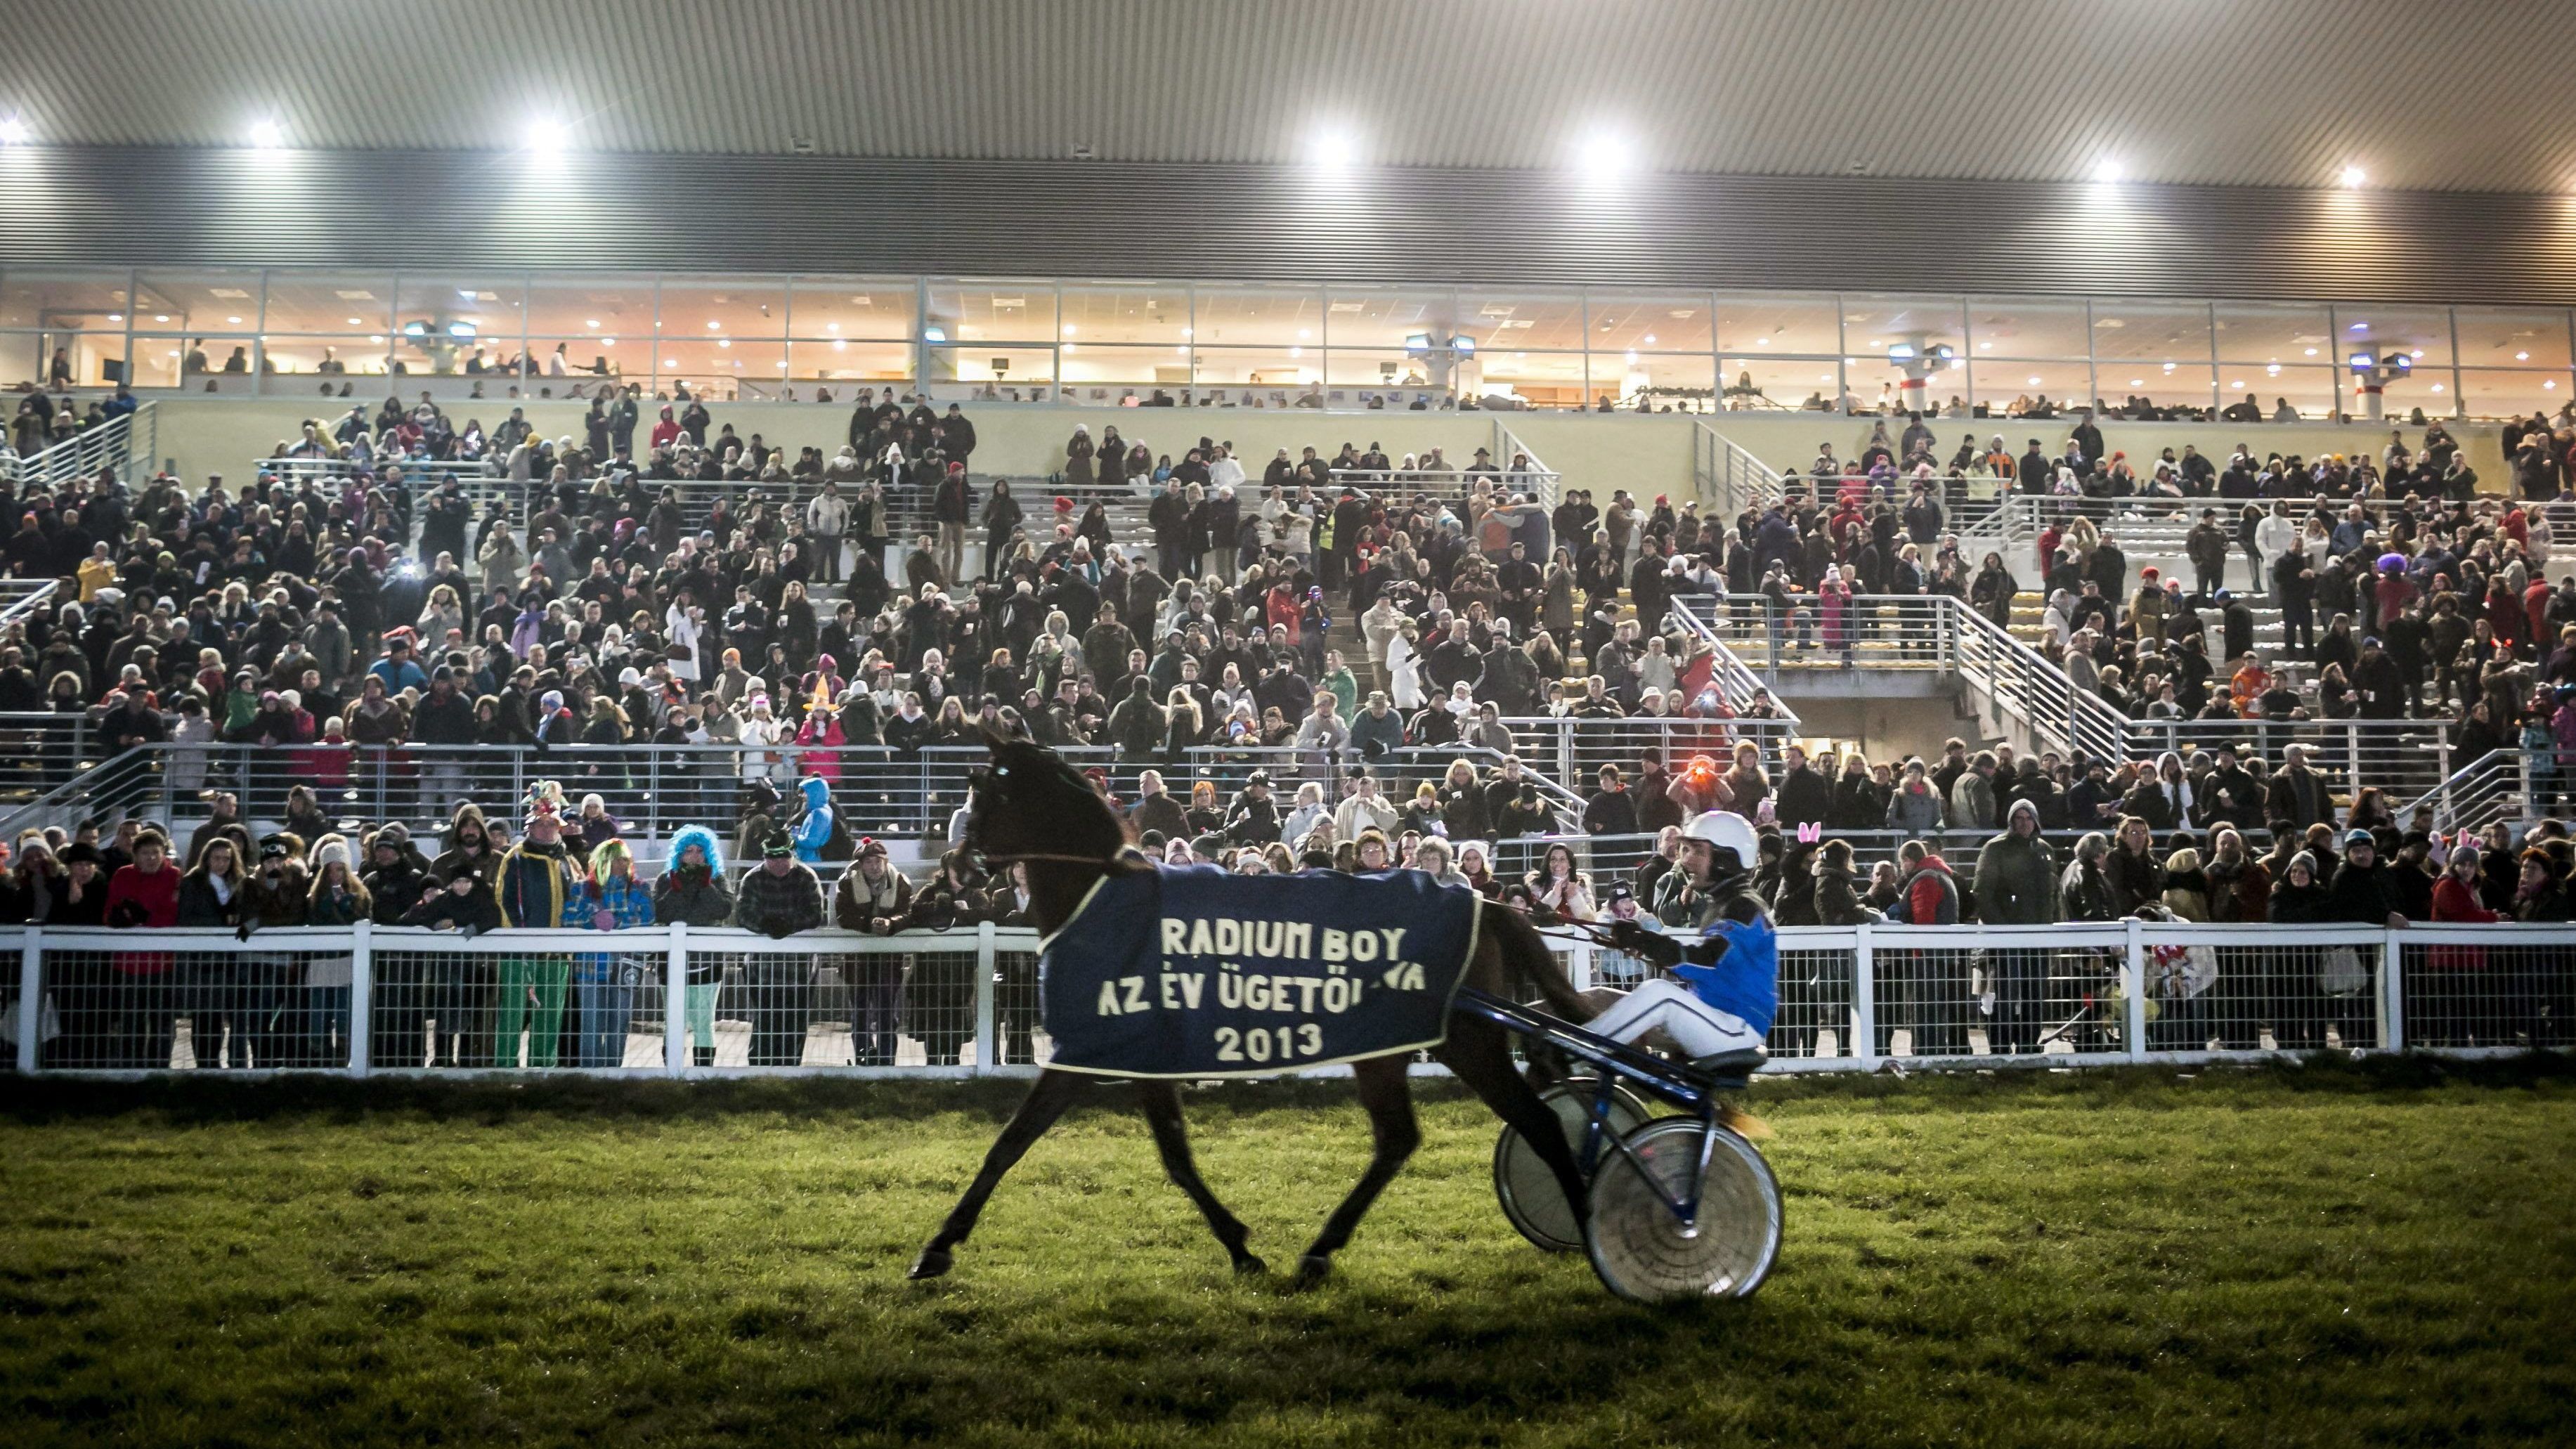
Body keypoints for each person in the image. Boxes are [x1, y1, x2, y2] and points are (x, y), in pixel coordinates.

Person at [1593, 810, 1777, 1072]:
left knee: (1660, 994)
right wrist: (1641, 940)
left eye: (1698, 852)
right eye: (1686, 850)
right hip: (1715, 1019)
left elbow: (1708, 964)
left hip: (1735, 1030)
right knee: (1602, 998)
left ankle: (1571, 1053)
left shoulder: (1743, 906)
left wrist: (1643, 940)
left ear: (1727, 860)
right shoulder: (1726, 901)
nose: (1686, 860)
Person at [493, 782, 586, 1068]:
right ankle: (505, 1071)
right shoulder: (516, 857)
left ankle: (542, 1072)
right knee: (512, 1014)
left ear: (559, 827)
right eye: (540, 824)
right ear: (530, 827)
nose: (546, 829)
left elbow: (579, 903)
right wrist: (518, 941)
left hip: (557, 954)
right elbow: (503, 899)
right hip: (519, 952)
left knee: (549, 1017)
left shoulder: (569, 861)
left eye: (551, 824)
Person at [731, 827, 825, 1065]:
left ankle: (790, 1069)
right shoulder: (752, 879)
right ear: (765, 858)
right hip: (762, 970)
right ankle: (760, 1070)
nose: (778, 863)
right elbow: (743, 915)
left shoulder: (807, 878)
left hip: (800, 970)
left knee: (795, 1023)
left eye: (783, 857)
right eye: (772, 858)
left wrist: (788, 925)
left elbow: (816, 914)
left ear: (792, 856)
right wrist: (766, 924)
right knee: (765, 1020)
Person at [651, 826, 736, 1066]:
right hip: (670, 963)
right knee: (673, 1020)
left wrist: (705, 885)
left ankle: (703, 1075)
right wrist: (680, 888)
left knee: (703, 1022)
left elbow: (724, 910)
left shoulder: (717, 879)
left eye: (700, 850)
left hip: (707, 963)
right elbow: (661, 912)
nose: (695, 856)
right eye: (689, 850)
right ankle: (673, 1073)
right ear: (679, 853)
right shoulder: (666, 880)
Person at [573, 837, 654, 1068]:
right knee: (590, 1024)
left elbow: (648, 918)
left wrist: (617, 922)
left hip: (625, 968)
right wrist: (592, 921)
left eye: (625, 859)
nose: (622, 864)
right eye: (616, 859)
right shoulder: (582, 889)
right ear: (603, 861)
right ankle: (590, 1075)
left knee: (619, 1023)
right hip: (589, 968)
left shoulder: (639, 888)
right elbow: (567, 919)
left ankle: (613, 1073)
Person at [835, 837, 916, 1065]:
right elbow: (844, 916)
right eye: (869, 862)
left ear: (885, 861)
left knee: (887, 1014)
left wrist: (891, 924)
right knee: (860, 1013)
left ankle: (886, 1060)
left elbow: (909, 914)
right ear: (861, 864)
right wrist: (869, 924)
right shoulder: (847, 883)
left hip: (888, 961)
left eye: (878, 861)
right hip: (857, 960)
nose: (875, 866)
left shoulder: (901, 882)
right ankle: (862, 1058)